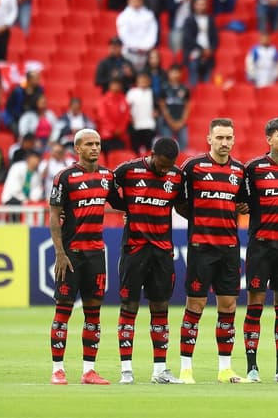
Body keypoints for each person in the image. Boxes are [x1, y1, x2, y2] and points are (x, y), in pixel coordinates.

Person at [177, 118, 249, 384]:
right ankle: (186, 369)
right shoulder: (193, 167)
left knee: (228, 306)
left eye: (228, 137)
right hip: (201, 247)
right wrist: (200, 220)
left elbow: (243, 202)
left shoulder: (239, 170)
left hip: (229, 248)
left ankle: (225, 369)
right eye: (219, 137)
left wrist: (242, 207)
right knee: (195, 305)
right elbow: (180, 203)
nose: (224, 142)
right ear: (209, 139)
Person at [111, 137, 186, 385]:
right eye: (161, 165)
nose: (164, 170)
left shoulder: (177, 176)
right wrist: (127, 206)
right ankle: (126, 371)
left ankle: (160, 370)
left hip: (162, 251)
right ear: (152, 154)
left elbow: (182, 204)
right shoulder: (128, 170)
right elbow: (107, 188)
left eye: (169, 166)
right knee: (129, 307)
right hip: (134, 249)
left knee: (161, 308)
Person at [48, 129, 113, 385]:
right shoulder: (64, 177)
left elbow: (122, 202)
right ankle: (57, 370)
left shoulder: (107, 176)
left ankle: (89, 371)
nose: (95, 148)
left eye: (97, 143)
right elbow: (54, 216)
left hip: (96, 254)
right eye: (89, 144)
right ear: (77, 148)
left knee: (93, 314)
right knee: (63, 312)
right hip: (71, 255)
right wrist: (60, 252)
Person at [239, 118, 278, 383]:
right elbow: (239, 196)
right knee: (255, 305)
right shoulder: (254, 168)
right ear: (269, 139)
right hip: (261, 246)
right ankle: (252, 367)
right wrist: (241, 204)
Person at [116, 0, 159, 70]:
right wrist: (135, 46)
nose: (136, 2)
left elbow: (153, 32)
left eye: (138, 0)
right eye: (134, 0)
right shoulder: (123, 16)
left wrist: (146, 46)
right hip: (129, 52)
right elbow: (123, 34)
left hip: (145, 52)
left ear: (142, 1)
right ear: (129, 1)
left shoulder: (149, 15)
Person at [181, 0, 218, 86]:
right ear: (194, 5)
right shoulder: (189, 20)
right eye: (199, 4)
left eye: (203, 4)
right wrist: (202, 50)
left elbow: (215, 37)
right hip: (194, 54)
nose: (201, 7)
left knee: (207, 83)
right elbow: (188, 39)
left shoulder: (210, 20)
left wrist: (211, 49)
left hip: (208, 56)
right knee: (193, 83)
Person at [157, 64, 190, 148]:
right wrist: (170, 121)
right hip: (167, 123)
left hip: (181, 123)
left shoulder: (184, 88)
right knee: (167, 146)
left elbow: (187, 106)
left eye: (177, 72)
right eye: (173, 72)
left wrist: (182, 122)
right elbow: (162, 106)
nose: (175, 75)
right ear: (169, 73)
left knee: (184, 145)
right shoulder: (164, 87)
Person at [96, 77, 131, 153]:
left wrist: (120, 129)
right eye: (114, 84)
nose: (116, 86)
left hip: (120, 136)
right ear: (110, 85)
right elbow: (102, 117)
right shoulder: (104, 100)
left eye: (118, 84)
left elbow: (126, 117)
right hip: (106, 135)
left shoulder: (124, 99)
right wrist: (113, 129)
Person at [125, 72, 155, 154]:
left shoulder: (152, 92)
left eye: (145, 80)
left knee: (148, 150)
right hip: (136, 125)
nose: (143, 82)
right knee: (135, 150)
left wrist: (156, 112)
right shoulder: (132, 92)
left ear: (149, 81)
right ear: (137, 81)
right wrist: (130, 117)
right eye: (141, 80)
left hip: (149, 125)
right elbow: (127, 107)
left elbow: (157, 106)